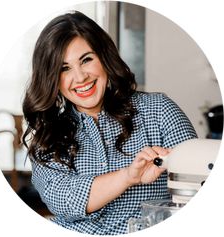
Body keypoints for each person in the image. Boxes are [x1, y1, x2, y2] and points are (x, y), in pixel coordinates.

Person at [22, 11, 197, 235]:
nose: (80, 77)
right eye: (64, 69)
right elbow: (62, 200)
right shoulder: (48, 137)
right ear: (52, 79)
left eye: (86, 59)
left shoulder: (159, 110)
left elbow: (198, 185)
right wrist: (128, 176)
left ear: (104, 57)